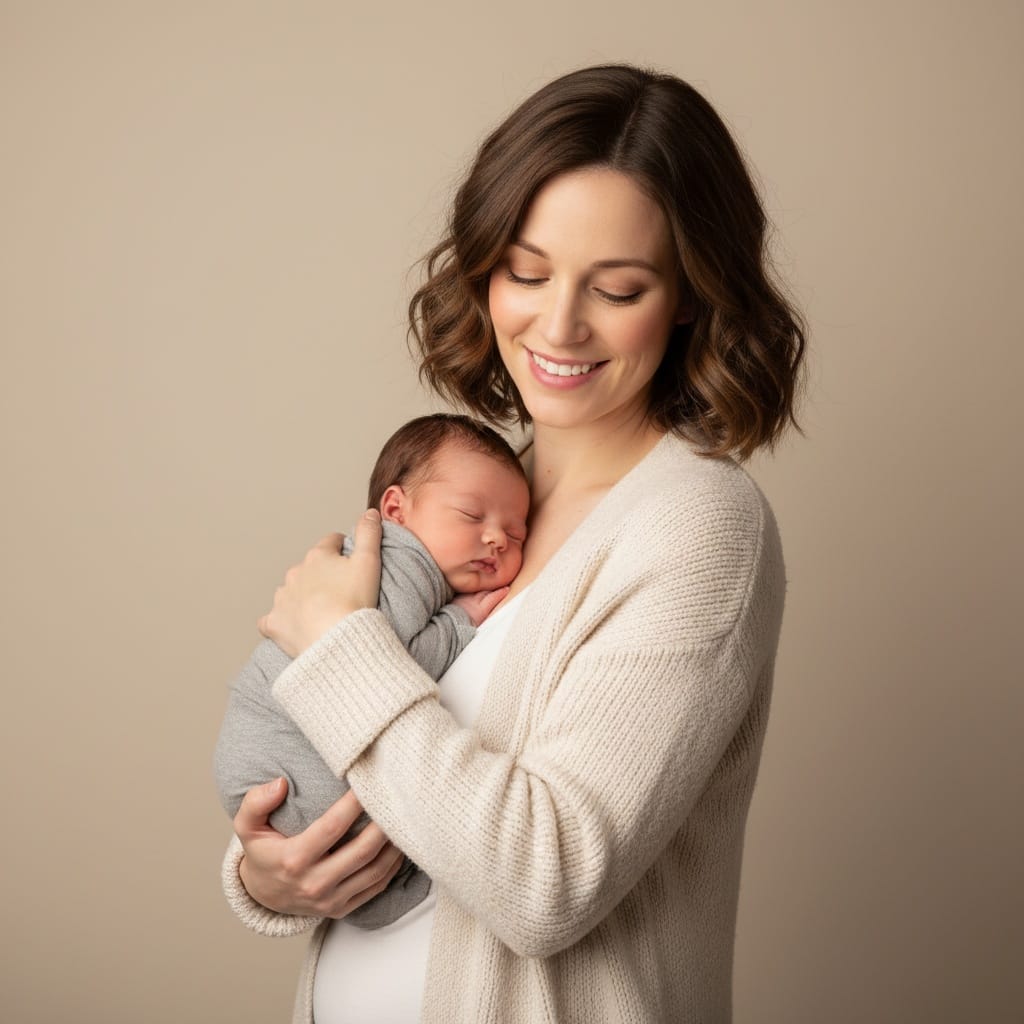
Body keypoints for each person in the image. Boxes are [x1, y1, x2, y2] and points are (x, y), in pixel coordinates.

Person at [221, 63, 805, 1023]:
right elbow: (371, 766)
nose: (558, 323)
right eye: (527, 273)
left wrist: (338, 650)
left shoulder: (700, 529)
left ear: (692, 296)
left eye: (617, 289)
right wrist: (272, 874)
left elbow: (548, 882)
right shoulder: (482, 499)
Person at [213, 413, 529, 928]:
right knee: (366, 854)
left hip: (260, 770)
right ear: (396, 510)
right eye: (473, 516)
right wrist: (460, 620)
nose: (497, 538)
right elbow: (381, 665)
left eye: (516, 532)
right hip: (279, 752)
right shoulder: (398, 565)